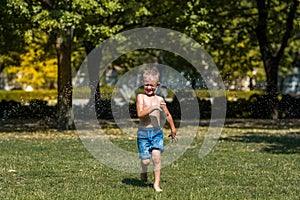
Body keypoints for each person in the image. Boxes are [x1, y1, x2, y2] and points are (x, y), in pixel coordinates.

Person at [136, 67, 177, 192]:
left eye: (152, 85)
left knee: (156, 158)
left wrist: (173, 129)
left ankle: (156, 184)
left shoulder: (160, 100)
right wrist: (153, 107)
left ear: (157, 85)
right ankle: (144, 171)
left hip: (156, 133)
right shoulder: (140, 97)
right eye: (146, 85)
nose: (149, 88)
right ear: (143, 84)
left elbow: (167, 115)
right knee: (146, 161)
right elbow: (140, 114)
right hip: (143, 134)